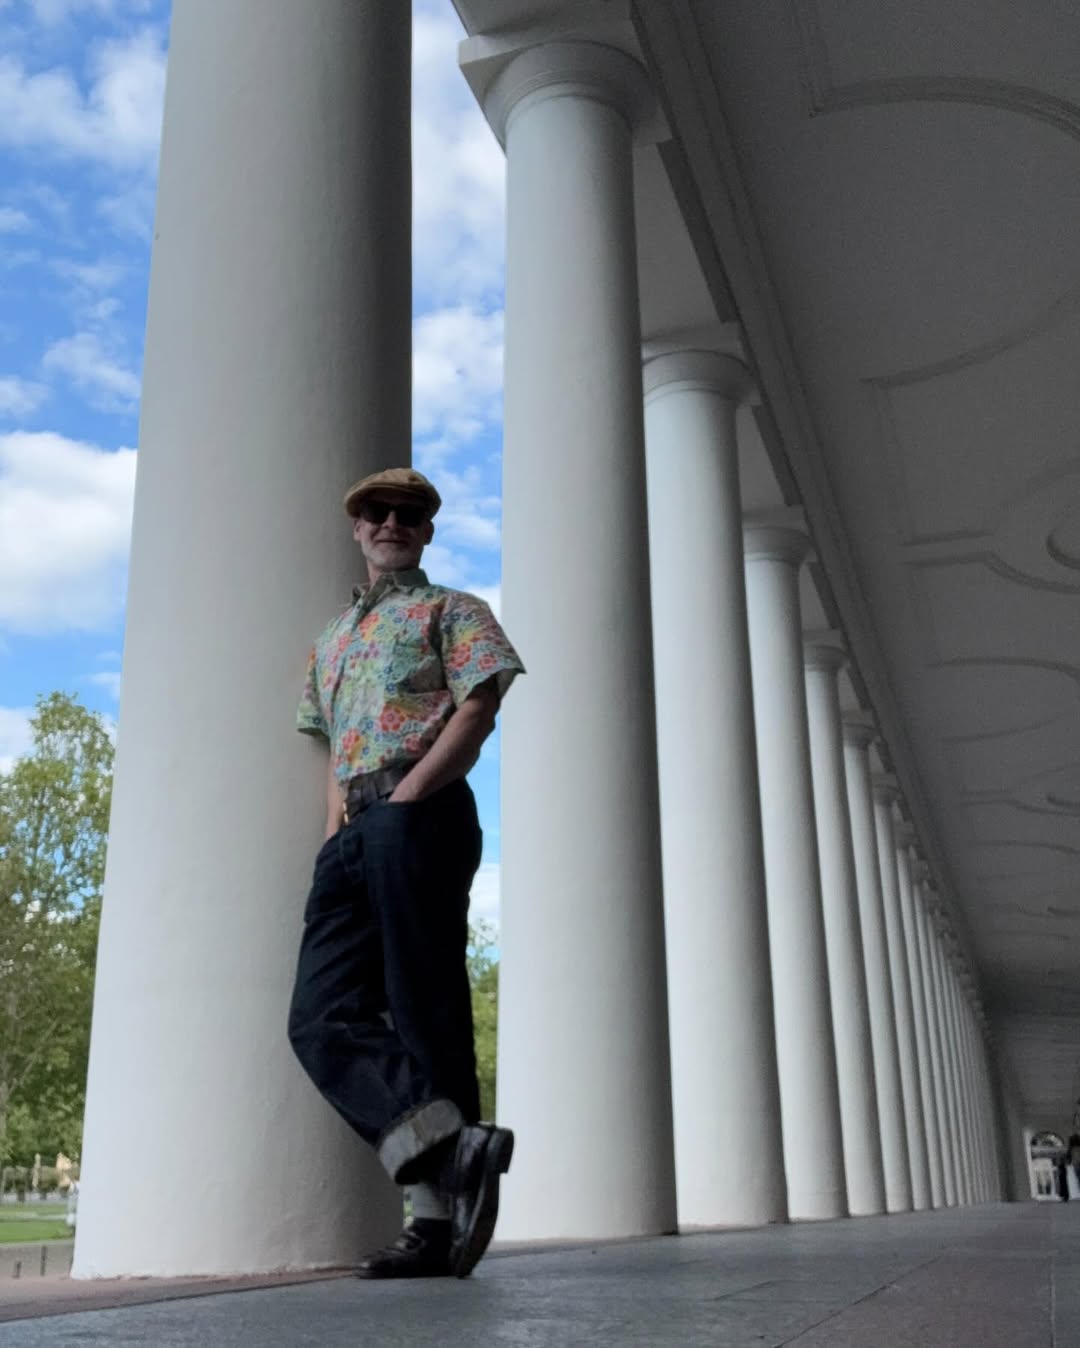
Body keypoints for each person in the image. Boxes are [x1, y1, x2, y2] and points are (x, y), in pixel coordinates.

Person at [288, 466, 524, 1279]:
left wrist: (410, 796)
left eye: (408, 514)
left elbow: (479, 706)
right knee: (319, 1017)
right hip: (351, 833)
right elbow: (333, 744)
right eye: (377, 512)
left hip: (418, 812)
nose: (392, 522)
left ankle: (433, 1223)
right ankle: (457, 1149)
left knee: (424, 1003)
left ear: (425, 531)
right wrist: (334, 836)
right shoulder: (330, 640)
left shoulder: (454, 610)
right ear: (358, 527)